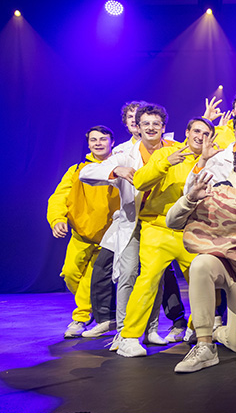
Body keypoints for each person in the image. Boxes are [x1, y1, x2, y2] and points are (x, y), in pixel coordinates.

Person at [166, 143, 236, 373]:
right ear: (235, 167)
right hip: (219, 264)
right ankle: (204, 345)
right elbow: (172, 222)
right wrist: (190, 198)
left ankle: (216, 333)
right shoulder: (217, 190)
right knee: (200, 264)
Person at [79, 103, 182, 348]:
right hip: (133, 224)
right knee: (127, 274)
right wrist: (116, 169)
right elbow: (87, 173)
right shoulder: (125, 153)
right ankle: (123, 331)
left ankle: (151, 329)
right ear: (138, 126)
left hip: (160, 224)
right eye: (145, 123)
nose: (151, 128)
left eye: (156, 123)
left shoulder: (174, 150)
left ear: (163, 127)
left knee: (155, 277)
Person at [115, 117, 214, 357]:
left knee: (207, 281)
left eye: (206, 133)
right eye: (196, 131)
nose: (200, 137)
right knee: (148, 279)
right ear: (187, 132)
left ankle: (195, 328)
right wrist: (166, 163)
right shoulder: (167, 152)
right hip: (158, 228)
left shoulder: (214, 159)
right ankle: (129, 337)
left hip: (192, 231)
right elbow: (139, 181)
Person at [47, 126, 121, 338]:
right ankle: (91, 309)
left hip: (107, 238)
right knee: (70, 273)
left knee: (91, 279)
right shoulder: (77, 170)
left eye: (103, 139)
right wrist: (57, 219)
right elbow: (59, 197)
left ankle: (80, 317)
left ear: (112, 142)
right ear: (88, 144)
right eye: (93, 140)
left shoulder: (120, 168)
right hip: (81, 235)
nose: (98, 143)